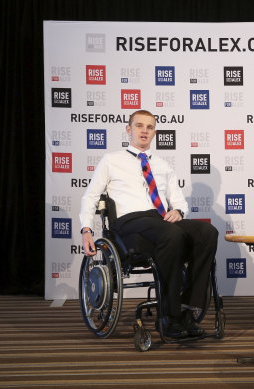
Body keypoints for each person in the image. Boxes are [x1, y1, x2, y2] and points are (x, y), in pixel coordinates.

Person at [79, 109, 219, 339]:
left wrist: (178, 210)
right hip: (128, 222)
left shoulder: (163, 164)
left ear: (154, 132)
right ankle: (169, 317)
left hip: (160, 220)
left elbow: (178, 199)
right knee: (170, 234)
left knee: (206, 232)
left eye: (150, 127)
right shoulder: (111, 160)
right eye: (139, 125)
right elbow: (90, 196)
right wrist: (86, 230)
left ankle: (187, 309)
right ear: (129, 129)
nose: (144, 130)